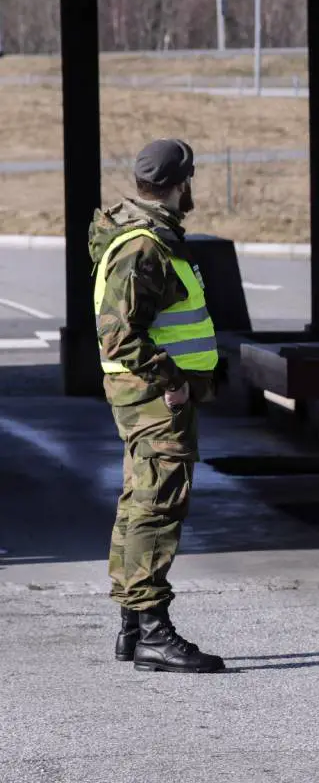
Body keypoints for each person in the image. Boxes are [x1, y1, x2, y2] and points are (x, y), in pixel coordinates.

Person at [90, 137, 224, 673]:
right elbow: (118, 335)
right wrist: (171, 379)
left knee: (138, 501)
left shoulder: (151, 237)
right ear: (180, 183)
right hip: (154, 397)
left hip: (149, 396)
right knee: (157, 504)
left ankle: (132, 625)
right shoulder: (144, 247)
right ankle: (151, 630)